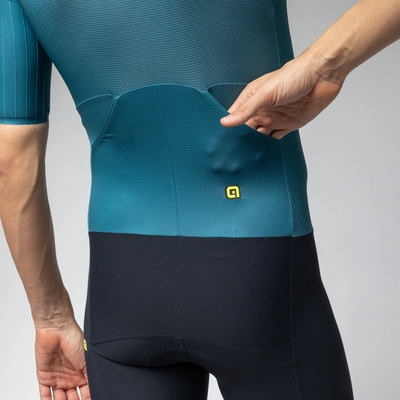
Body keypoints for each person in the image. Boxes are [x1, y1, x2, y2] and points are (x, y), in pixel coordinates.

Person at [0, 1, 399, 399]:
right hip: (258, 279)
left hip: (122, 292)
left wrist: (51, 318)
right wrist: (323, 66)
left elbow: (12, 160)